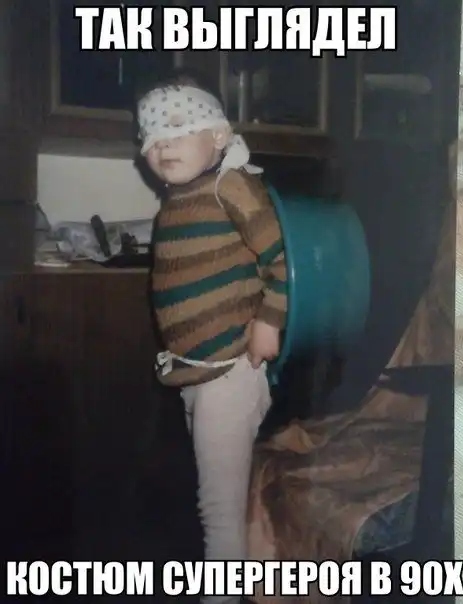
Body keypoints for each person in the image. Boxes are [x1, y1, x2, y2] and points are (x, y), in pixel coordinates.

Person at [136, 68, 287, 604]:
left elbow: (282, 259)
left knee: (216, 510)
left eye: (177, 126)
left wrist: (269, 321)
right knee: (220, 494)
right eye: (150, 133)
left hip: (231, 370)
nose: (162, 142)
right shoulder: (176, 201)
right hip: (196, 374)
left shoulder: (231, 184)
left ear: (219, 135)